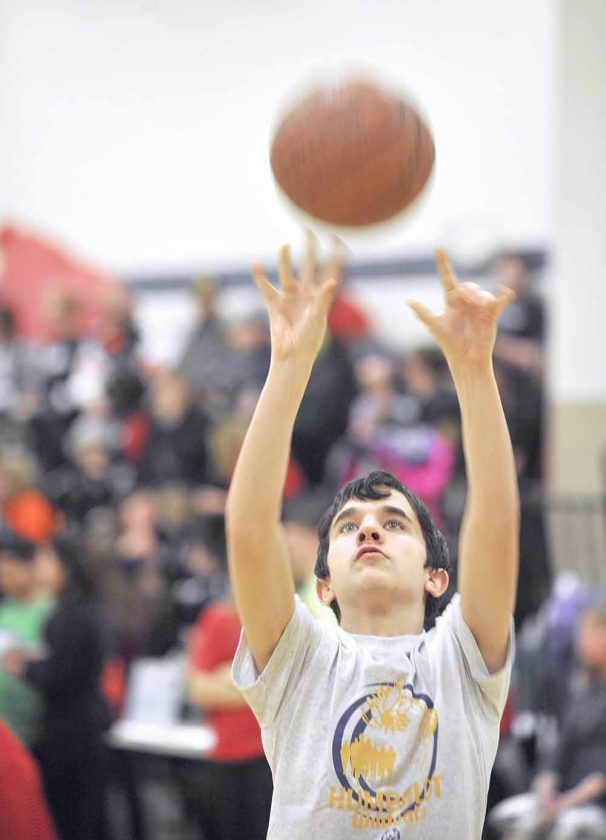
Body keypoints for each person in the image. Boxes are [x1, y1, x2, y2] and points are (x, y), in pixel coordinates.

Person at [226, 235, 519, 838]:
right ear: (324, 586)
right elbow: (250, 530)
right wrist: (289, 364)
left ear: (436, 577)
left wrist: (472, 371)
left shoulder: (461, 659)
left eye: (394, 522)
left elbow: (496, 523)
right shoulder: (300, 659)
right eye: (348, 525)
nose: (368, 528)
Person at [2, 534, 111, 840]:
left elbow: (65, 673)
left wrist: (26, 667)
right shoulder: (74, 610)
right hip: (66, 727)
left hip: (71, 730)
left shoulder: (73, 613)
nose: (40, 566)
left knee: (74, 816)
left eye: (47, 559)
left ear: (65, 566)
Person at [487, 602, 606, 839]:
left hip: (593, 801)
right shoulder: (581, 691)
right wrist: (546, 783)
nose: (580, 643)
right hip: (562, 794)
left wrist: (567, 802)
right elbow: (558, 748)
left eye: (588, 635)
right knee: (506, 819)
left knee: (566, 830)